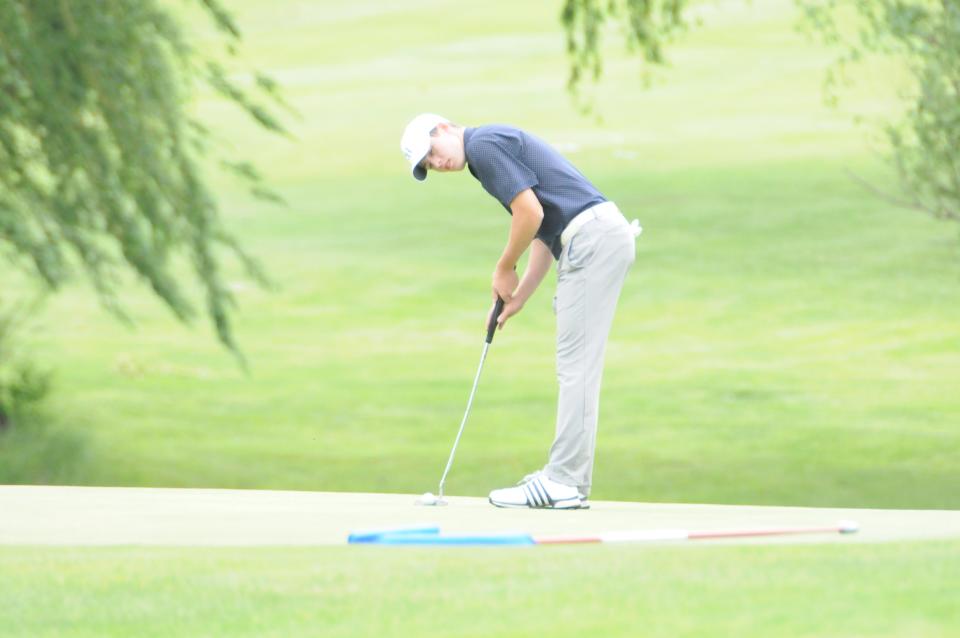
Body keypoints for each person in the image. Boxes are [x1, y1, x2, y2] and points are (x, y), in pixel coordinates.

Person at [400, 113, 641, 509]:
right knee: (577, 365)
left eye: (432, 153)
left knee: (575, 366)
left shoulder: (481, 147)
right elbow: (545, 230)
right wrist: (521, 295)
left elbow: (530, 214)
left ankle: (563, 480)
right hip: (595, 236)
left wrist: (504, 265)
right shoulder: (487, 147)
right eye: (429, 165)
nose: (438, 164)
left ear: (442, 128)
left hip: (592, 240)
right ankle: (569, 481)